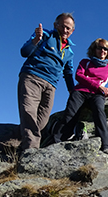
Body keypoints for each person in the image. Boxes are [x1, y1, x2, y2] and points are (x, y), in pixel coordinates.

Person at [17, 13, 76, 150]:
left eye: (68, 28)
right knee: (29, 112)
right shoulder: (45, 35)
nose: (65, 30)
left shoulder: (69, 52)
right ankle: (31, 152)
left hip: (51, 86)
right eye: (62, 26)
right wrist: (35, 40)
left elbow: (68, 72)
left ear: (72, 31)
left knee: (42, 121)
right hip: (32, 77)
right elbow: (24, 52)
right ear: (55, 25)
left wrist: (72, 91)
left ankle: (19, 140)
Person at [52, 38, 108, 157]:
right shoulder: (85, 62)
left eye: (105, 49)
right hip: (80, 91)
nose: (102, 50)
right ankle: (58, 140)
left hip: (97, 95)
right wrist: (98, 86)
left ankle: (106, 146)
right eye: (99, 48)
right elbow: (79, 76)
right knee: (71, 113)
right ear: (94, 50)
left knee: (99, 113)